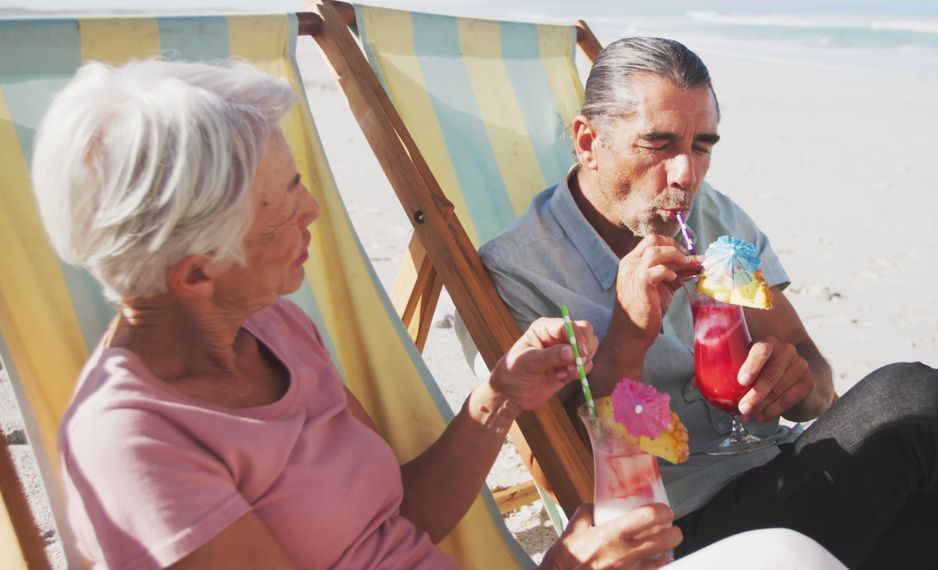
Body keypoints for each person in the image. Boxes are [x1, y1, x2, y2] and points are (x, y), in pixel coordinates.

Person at [31, 59, 684, 569]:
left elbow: (396, 518)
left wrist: (500, 397)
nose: (313, 210)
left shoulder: (271, 328)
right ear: (197, 272)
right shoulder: (134, 445)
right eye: (287, 205)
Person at [472, 37, 938, 567]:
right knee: (904, 403)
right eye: (658, 144)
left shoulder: (710, 219)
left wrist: (799, 382)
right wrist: (630, 337)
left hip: (789, 484)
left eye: (703, 144)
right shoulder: (518, 277)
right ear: (588, 140)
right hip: (681, 535)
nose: (687, 173)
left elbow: (820, 388)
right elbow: (580, 470)